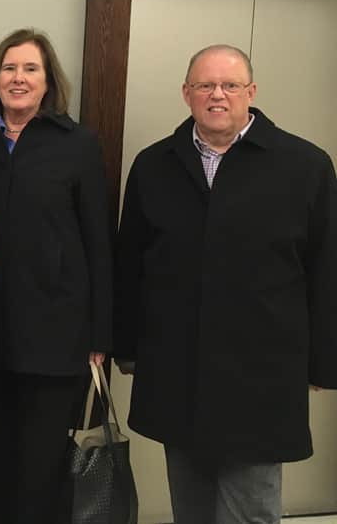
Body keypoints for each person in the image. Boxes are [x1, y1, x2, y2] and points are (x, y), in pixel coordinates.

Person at [114, 44, 337, 523]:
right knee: (190, 508)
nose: (217, 95)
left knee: (249, 510)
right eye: (205, 85)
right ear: (186, 94)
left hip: (261, 374)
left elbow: (327, 270)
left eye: (230, 85)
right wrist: (127, 347)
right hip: (178, 367)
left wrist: (323, 360)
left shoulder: (306, 167)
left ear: (251, 93)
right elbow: (131, 264)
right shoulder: (154, 166)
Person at [0, 28, 113, 523]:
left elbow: (99, 243)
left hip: (55, 339)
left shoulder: (78, 144)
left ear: (48, 82)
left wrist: (100, 334)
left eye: (30, 69)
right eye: (9, 67)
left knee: (41, 472)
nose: (18, 78)